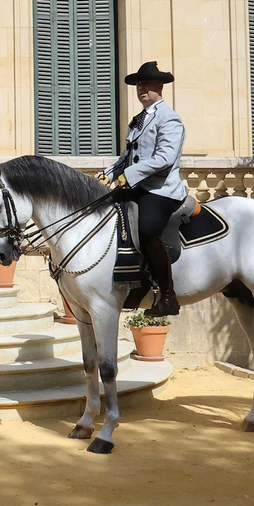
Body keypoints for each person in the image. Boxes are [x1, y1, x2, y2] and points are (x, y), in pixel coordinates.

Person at [105, 61, 186, 317]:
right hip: (137, 186)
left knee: (146, 230)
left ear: (159, 87)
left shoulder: (169, 118)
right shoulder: (138, 120)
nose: (142, 88)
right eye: (139, 84)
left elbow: (165, 158)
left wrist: (128, 175)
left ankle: (167, 296)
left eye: (147, 83)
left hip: (161, 190)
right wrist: (109, 173)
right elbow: (127, 155)